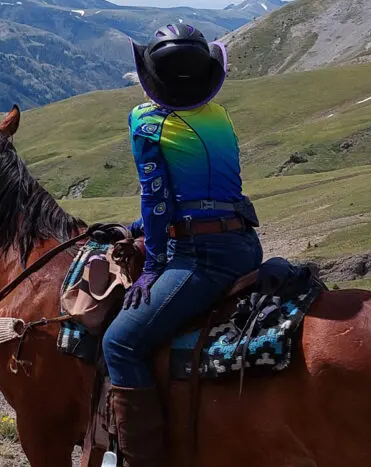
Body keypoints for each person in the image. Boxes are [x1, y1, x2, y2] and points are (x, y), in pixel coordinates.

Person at [102, 24, 263, 467]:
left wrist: (153, 264)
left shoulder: (147, 121)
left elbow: (157, 197)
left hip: (202, 257)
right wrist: (134, 227)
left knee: (120, 342)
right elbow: (200, 194)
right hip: (245, 245)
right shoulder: (220, 115)